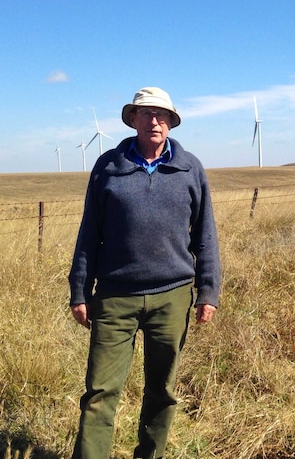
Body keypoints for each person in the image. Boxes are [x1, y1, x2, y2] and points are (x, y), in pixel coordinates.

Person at [68, 87, 222, 459]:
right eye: (146, 113)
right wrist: (79, 289)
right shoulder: (108, 166)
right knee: (100, 392)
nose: (154, 120)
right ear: (132, 119)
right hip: (115, 296)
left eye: (162, 114)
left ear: (171, 122)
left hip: (172, 295)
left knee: (162, 391)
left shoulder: (190, 168)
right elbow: (89, 231)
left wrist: (208, 291)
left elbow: (205, 234)